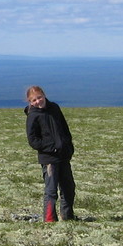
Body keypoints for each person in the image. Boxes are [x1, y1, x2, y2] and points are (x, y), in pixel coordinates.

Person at [24, 85, 76, 222]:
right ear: (29, 102)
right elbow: (33, 140)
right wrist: (51, 148)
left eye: (39, 97)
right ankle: (49, 220)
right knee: (51, 191)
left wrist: (68, 147)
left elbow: (65, 129)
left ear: (44, 95)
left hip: (63, 156)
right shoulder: (33, 116)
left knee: (68, 188)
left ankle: (68, 217)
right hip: (49, 158)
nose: (38, 101)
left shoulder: (55, 108)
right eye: (34, 100)